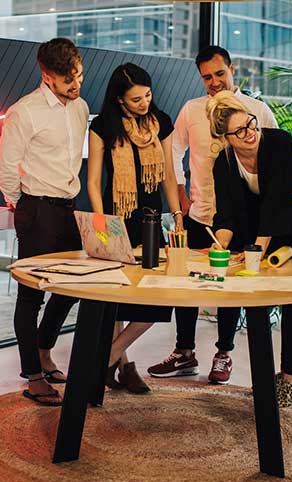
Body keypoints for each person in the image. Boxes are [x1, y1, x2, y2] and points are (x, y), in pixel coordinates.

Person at [147, 45, 278, 386]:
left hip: (241, 219)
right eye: (207, 77)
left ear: (232, 69)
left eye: (220, 73)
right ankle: (184, 352)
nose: (214, 82)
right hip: (200, 212)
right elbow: (172, 150)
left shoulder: (258, 111)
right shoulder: (192, 110)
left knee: (228, 289)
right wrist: (178, 191)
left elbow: (276, 159)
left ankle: (224, 352)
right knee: (186, 284)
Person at [206, 91, 292, 407]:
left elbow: (279, 201)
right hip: (267, 234)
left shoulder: (278, 142)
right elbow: (226, 213)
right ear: (225, 138)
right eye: (240, 131)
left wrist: (256, 248)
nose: (250, 133)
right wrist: (221, 244)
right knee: (257, 297)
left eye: (251, 124)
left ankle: (289, 378)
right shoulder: (224, 164)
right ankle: (264, 373)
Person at [0, 38, 89, 406]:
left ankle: (44, 350)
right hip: (36, 208)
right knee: (31, 295)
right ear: (46, 74)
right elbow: (5, 168)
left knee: (69, 288)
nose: (76, 84)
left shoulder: (80, 108)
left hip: (69, 206)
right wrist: (24, 206)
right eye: (68, 79)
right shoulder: (25, 111)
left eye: (79, 75)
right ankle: (33, 375)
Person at [86, 63, 184, 394]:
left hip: (152, 222)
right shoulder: (103, 126)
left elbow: (169, 175)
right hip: (116, 220)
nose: (144, 103)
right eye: (135, 99)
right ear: (119, 100)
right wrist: (102, 223)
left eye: (147, 95)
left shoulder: (161, 123)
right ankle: (124, 366)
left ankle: (105, 357)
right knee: (116, 297)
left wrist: (178, 214)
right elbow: (95, 181)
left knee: (158, 298)